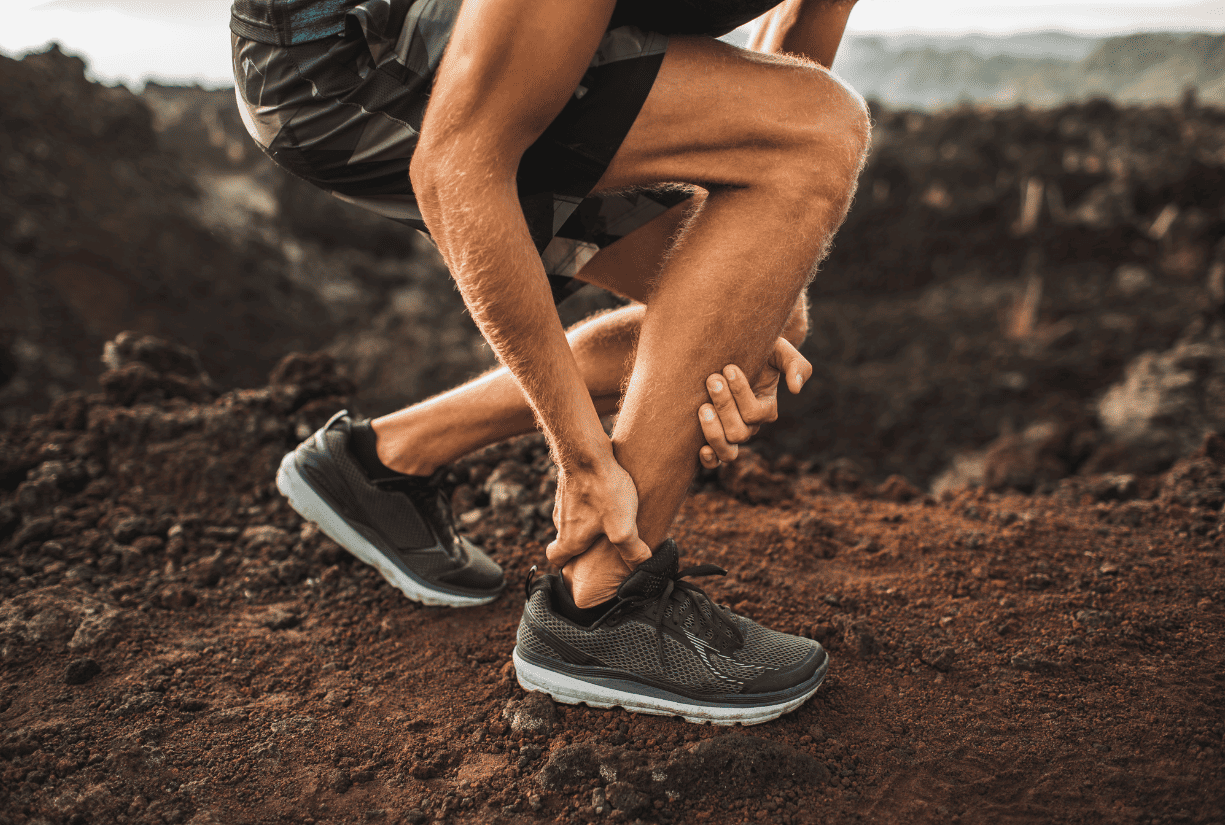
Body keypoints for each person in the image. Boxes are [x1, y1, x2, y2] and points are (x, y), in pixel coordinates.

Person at [234, 0, 869, 723]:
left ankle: (381, 461)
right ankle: (600, 607)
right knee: (816, 129)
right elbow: (454, 164)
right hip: (336, 65)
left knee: (763, 309)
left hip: (514, 47)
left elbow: (773, 105)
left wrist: (732, 304)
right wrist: (581, 455)